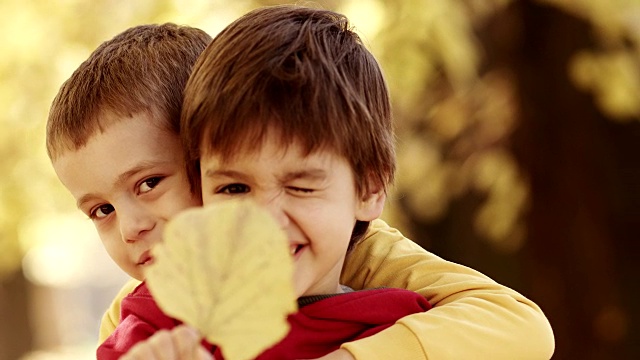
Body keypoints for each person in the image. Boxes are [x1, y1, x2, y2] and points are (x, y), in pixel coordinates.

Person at [46, 11, 554, 360]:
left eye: (150, 183)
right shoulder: (143, 321)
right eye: (101, 211)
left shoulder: (377, 276)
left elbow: (519, 326)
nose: (132, 227)